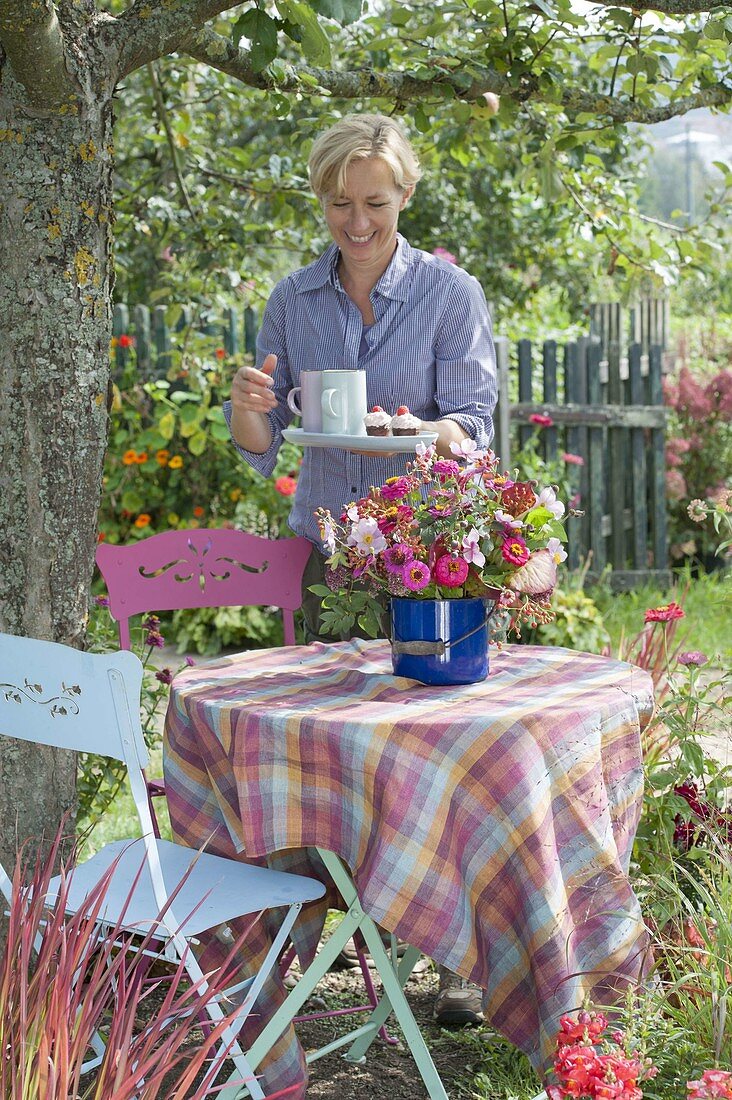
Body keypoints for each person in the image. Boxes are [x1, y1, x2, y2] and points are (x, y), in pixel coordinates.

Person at [225, 113, 497, 1027]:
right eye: (340, 203)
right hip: (324, 555)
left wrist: (418, 432)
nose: (356, 221)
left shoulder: (451, 294)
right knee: (314, 752)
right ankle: (303, 936)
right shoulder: (293, 301)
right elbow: (262, 450)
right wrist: (250, 408)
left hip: (426, 562)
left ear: (405, 195)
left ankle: (454, 957)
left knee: (436, 756)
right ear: (322, 200)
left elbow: (472, 426)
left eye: (374, 201)